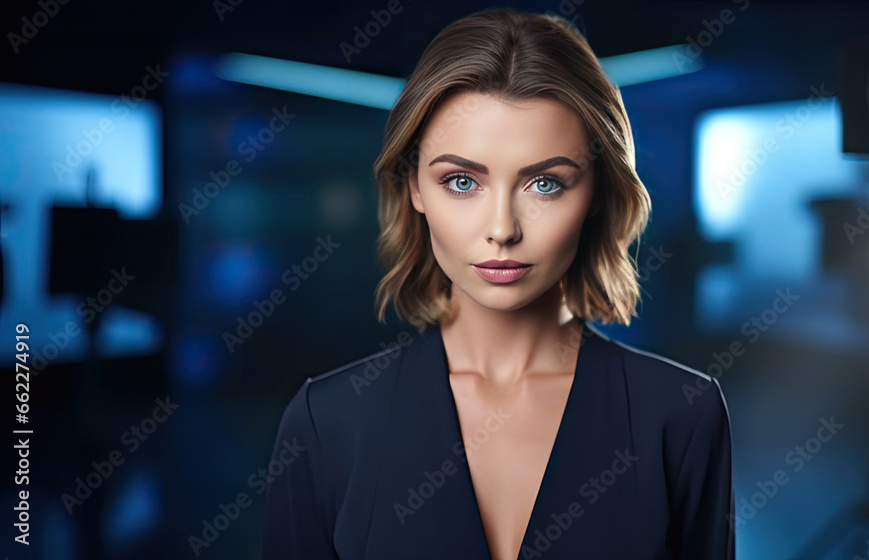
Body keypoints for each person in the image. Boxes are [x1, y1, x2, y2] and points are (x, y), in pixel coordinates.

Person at [262, 7, 734, 559]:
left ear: (599, 193)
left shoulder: (681, 414)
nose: (502, 229)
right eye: (462, 181)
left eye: (545, 184)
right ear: (413, 186)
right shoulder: (327, 421)